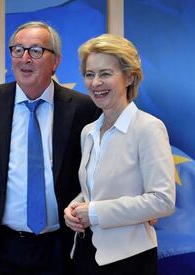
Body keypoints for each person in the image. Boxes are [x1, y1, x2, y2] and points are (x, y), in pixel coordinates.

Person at [0, 21, 100, 275]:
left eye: (36, 51)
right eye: (18, 50)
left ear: (55, 61)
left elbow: (97, 171)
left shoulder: (82, 108)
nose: (25, 58)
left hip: (60, 247)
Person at [63, 33, 176, 275]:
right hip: (84, 255)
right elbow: (93, 190)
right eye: (89, 74)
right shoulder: (88, 131)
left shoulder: (147, 128)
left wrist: (93, 212)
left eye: (105, 74)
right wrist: (74, 208)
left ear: (129, 77)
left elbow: (162, 200)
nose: (95, 83)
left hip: (129, 261)